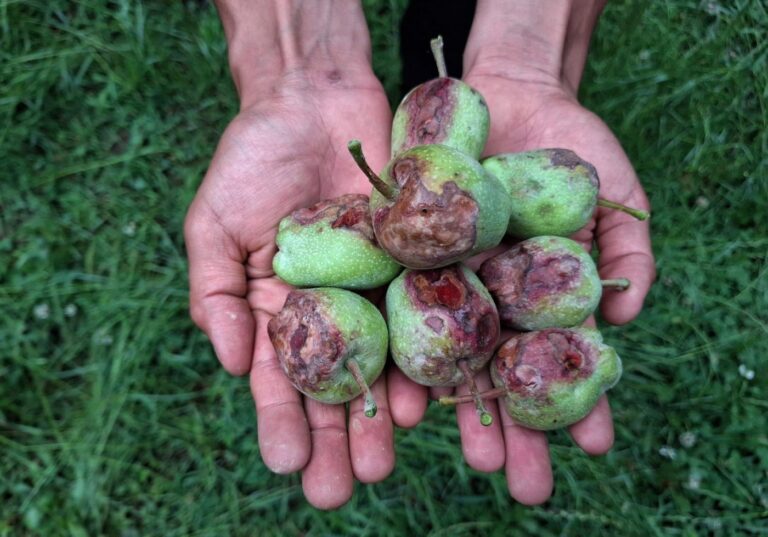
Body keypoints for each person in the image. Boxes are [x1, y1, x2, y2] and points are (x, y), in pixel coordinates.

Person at [184, 0, 655, 510]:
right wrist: (296, 72)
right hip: (425, 207)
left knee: (440, 37)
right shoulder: (408, 224)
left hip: (438, 203)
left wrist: (525, 53)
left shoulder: (452, 204)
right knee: (434, 39)